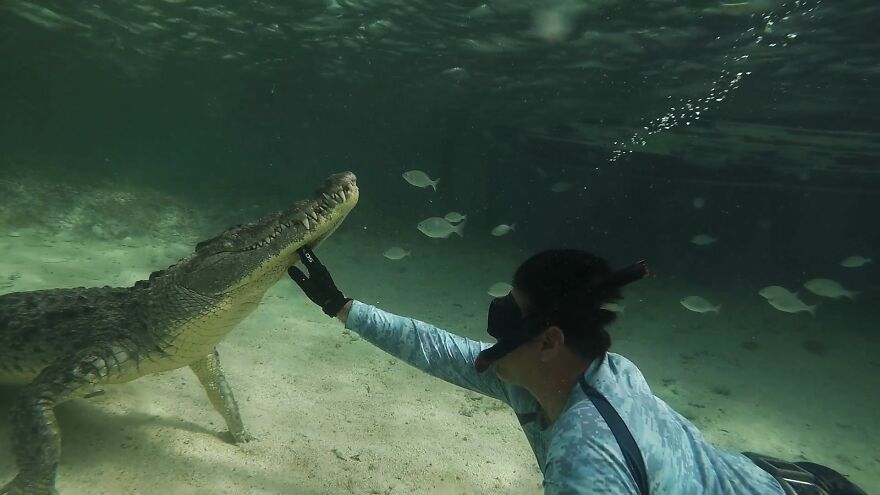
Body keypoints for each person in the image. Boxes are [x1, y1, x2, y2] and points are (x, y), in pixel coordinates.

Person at [288, 247, 865, 495]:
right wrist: (341, 305)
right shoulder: (575, 373)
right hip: (781, 477)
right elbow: (438, 348)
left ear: (550, 340)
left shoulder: (584, 462)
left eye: (510, 313)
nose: (493, 329)